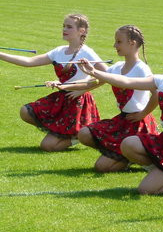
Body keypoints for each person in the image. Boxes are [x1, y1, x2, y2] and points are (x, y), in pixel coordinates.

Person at [78, 33, 163, 194]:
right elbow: (127, 82)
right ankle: (162, 172)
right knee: (128, 144)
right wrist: (94, 72)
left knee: (145, 190)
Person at [0, 13, 105, 151]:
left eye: (69, 27)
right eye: (63, 26)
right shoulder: (59, 51)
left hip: (78, 102)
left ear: (82, 31)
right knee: (26, 111)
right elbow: (29, 62)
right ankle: (62, 133)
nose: (64, 29)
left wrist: (83, 90)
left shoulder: (87, 53)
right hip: (61, 98)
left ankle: (77, 137)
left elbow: (106, 76)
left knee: (47, 146)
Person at [75, 25, 158, 172]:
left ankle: (139, 158)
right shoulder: (117, 67)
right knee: (84, 134)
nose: (115, 45)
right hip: (123, 121)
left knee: (101, 167)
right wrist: (64, 85)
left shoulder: (141, 69)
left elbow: (157, 93)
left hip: (138, 124)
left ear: (132, 43)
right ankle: (124, 156)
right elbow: (95, 81)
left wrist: (144, 113)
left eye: (119, 42)